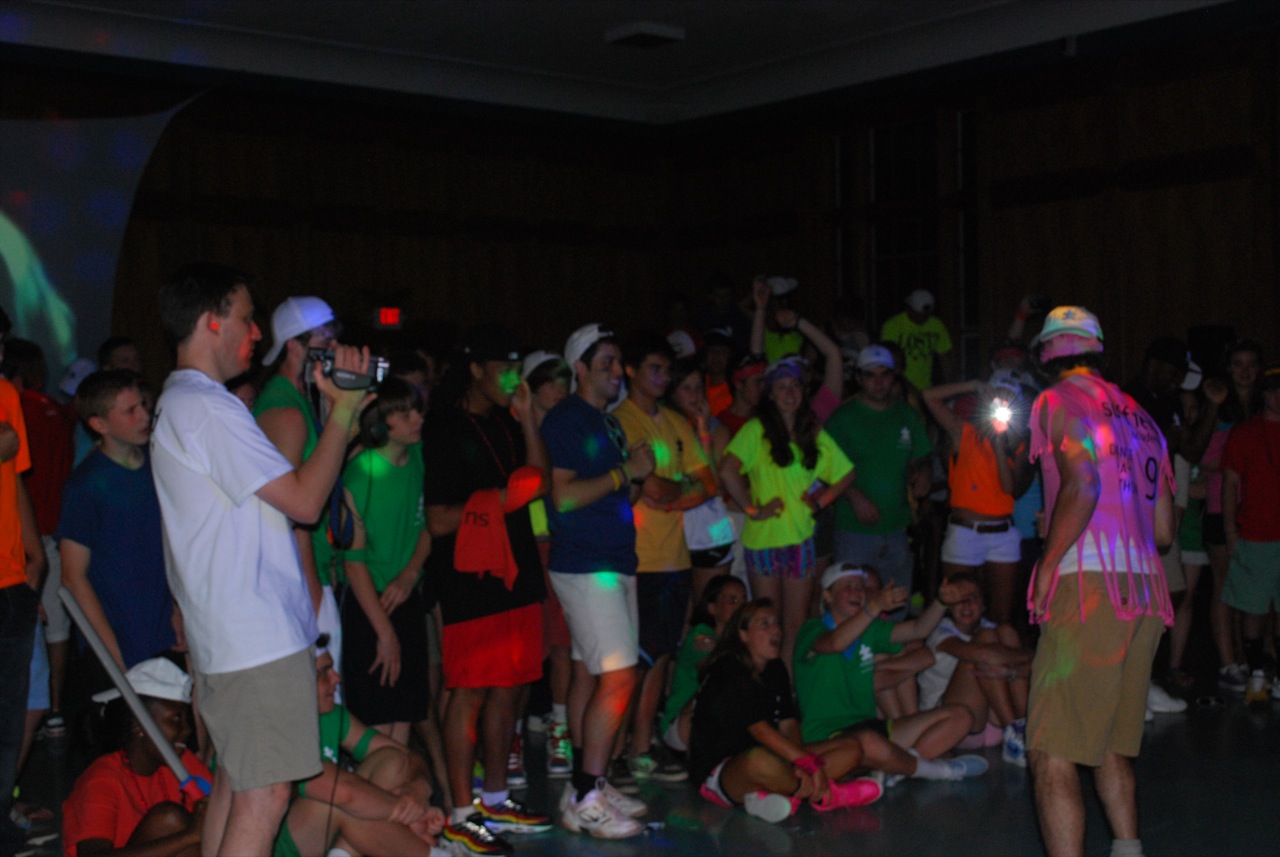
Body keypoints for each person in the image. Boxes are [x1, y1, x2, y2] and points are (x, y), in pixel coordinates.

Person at [151, 262, 370, 856]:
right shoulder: (208, 407)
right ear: (211, 321)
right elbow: (304, 501)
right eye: (248, 319)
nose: (255, 334)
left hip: (231, 634)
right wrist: (344, 412)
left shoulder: (182, 403)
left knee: (237, 784)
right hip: (254, 639)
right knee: (266, 795)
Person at [1024, 306, 1174, 857]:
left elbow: (1083, 484)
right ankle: (1128, 849)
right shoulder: (1142, 417)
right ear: (1098, 348)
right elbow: (1164, 530)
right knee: (1110, 743)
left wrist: (1047, 562)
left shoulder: (1055, 401)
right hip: (1145, 591)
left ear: (1046, 354)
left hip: (1089, 587)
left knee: (1052, 750)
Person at [420, 326, 552, 854]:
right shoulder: (442, 427)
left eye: (518, 369)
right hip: (471, 576)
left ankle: (495, 799)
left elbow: (539, 481)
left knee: (511, 686)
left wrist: (529, 417)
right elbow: (437, 519)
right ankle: (460, 814)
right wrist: (500, 498)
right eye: (505, 369)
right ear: (475, 369)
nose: (514, 379)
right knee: (470, 691)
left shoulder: (504, 420)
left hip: (516, 569)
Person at [541, 323, 654, 839]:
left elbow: (615, 493)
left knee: (591, 674)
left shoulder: (606, 422)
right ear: (580, 368)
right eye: (603, 361)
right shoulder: (568, 418)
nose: (615, 370)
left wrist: (632, 477)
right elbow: (563, 496)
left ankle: (589, 784)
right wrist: (625, 473)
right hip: (588, 566)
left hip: (613, 560)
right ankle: (587, 796)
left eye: (617, 360)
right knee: (619, 677)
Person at [614, 333, 712, 781]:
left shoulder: (675, 421)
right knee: (632, 664)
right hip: (638, 559)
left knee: (661, 658)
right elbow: (649, 487)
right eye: (653, 368)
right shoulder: (621, 421)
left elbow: (706, 481)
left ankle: (642, 747)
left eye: (666, 370)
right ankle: (617, 750)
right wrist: (676, 491)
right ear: (631, 370)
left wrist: (674, 495)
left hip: (675, 558)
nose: (662, 377)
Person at [690, 598, 882, 824]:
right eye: (765, 624)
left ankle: (775, 795)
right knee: (758, 760)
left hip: (775, 759)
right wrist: (807, 764)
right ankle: (829, 795)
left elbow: (789, 724)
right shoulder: (728, 668)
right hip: (723, 772)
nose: (776, 630)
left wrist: (798, 763)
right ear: (743, 635)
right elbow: (760, 731)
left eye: (777, 623)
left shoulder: (776, 668)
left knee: (851, 747)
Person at [718, 356, 856, 669]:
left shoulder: (812, 432)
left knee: (795, 624)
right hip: (764, 541)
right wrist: (752, 509)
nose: (789, 393)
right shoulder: (756, 430)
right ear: (770, 394)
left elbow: (846, 473)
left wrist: (820, 502)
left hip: (799, 539)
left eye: (795, 386)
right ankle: (765, 685)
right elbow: (727, 470)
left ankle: (789, 686)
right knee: (766, 623)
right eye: (781, 387)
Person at [793, 564, 987, 783]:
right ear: (827, 596)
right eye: (848, 586)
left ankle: (895, 769)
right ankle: (939, 771)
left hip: (871, 726)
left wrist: (941, 603)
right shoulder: (812, 629)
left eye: (861, 587)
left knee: (961, 716)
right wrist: (874, 607)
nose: (857, 592)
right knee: (869, 741)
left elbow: (918, 629)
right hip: (829, 736)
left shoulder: (870, 629)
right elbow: (836, 643)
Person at [274, 640, 446, 857]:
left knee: (392, 761)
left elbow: (408, 757)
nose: (337, 678)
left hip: (324, 832)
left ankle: (343, 853)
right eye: (324, 672)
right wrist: (409, 814)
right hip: (281, 844)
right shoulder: (277, 726)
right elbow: (344, 791)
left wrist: (419, 789)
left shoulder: (332, 715)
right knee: (337, 801)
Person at [254, 296, 348, 685]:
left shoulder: (303, 400)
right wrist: (312, 592)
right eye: (326, 341)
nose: (335, 350)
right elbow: (289, 512)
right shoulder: (285, 412)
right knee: (322, 694)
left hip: (318, 571)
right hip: (301, 584)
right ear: (295, 346)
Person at [58, 371, 176, 673]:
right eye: (130, 410)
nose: (144, 416)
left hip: (166, 632)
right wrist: (114, 656)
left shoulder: (158, 463)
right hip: (121, 639)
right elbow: (72, 576)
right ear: (99, 424)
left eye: (143, 405)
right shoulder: (85, 486)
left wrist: (179, 609)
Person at [339, 378, 432, 746]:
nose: (417, 419)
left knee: (403, 717)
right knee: (378, 726)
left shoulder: (421, 456)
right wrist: (384, 632)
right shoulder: (360, 474)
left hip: (405, 598)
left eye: (417, 411)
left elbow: (429, 525)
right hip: (369, 604)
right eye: (405, 414)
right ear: (381, 423)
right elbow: (353, 562)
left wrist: (410, 573)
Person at [61, 658, 211, 857]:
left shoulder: (185, 762)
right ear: (139, 726)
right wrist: (189, 837)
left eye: (186, 719)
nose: (186, 730)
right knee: (168, 819)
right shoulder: (101, 779)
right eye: (175, 719)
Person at [3, 338, 75, 738]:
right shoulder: (51, 412)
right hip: (43, 538)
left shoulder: (17, 407)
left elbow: (18, 485)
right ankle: (57, 708)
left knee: (30, 678)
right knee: (56, 631)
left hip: (22, 548)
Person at [922, 371, 1034, 625]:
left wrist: (999, 443)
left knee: (1000, 616)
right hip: (964, 532)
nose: (1001, 406)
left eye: (1007, 401)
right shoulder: (963, 432)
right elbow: (929, 397)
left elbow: (1009, 487)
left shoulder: (1018, 444)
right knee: (958, 610)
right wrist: (973, 384)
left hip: (1002, 535)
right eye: (997, 399)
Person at [824, 345, 932, 605]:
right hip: (854, 528)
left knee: (897, 603)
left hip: (897, 527)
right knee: (853, 603)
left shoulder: (905, 414)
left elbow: (922, 454)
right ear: (859, 378)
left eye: (885, 374)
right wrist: (853, 495)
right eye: (870, 375)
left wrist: (924, 471)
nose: (879, 382)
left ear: (894, 377)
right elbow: (823, 467)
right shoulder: (842, 418)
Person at [0, 304, 45, 857]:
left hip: (11, 581)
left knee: (8, 722)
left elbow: (14, 480)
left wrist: (34, 559)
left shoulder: (6, 394)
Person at [520, 351, 574, 778]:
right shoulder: (515, 429)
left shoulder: (567, 430)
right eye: (550, 382)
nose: (559, 390)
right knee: (524, 647)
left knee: (561, 644)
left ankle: (560, 727)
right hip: (522, 547)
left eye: (564, 382)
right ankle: (512, 735)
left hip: (559, 544)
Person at [916, 573, 1030, 766]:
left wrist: (1011, 671)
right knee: (985, 644)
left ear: (984, 605)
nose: (967, 605)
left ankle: (1023, 729)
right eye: (960, 599)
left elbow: (1034, 664)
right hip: (955, 725)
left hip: (992, 723)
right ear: (949, 606)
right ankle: (1013, 731)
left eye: (973, 598)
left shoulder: (993, 629)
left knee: (1007, 632)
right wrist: (1025, 657)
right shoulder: (940, 632)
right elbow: (984, 655)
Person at [1220, 362, 1280, 697]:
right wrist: (1230, 532)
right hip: (1255, 534)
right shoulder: (1245, 433)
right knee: (1253, 609)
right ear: (1264, 395)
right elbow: (1230, 483)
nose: (1278, 396)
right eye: (1273, 390)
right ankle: (1257, 671)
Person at [658, 573, 746, 754]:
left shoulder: (739, 642)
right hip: (680, 724)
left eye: (744, 600)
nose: (741, 607)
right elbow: (714, 673)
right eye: (732, 600)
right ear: (712, 607)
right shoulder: (701, 636)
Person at [879, 289, 954, 391]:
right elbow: (886, 359)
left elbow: (945, 358)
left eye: (926, 315)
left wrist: (951, 385)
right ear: (910, 309)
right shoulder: (893, 325)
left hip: (926, 388)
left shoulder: (936, 325)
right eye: (919, 314)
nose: (923, 318)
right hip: (899, 388)